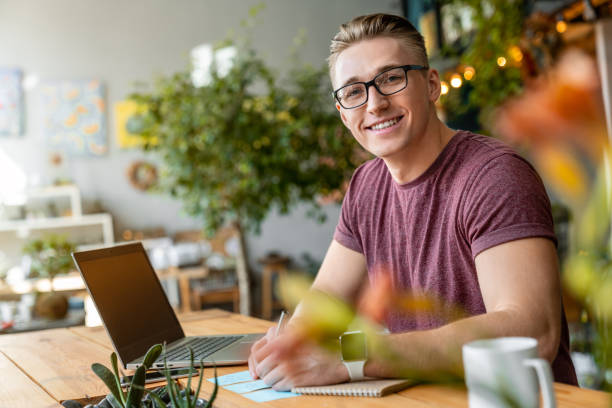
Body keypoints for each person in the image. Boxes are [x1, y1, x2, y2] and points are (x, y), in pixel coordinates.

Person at [248, 13, 578, 390]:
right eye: (354, 92)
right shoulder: (366, 186)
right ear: (343, 114)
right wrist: (294, 344)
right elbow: (326, 297)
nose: (374, 104)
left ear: (432, 85)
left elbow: (533, 332)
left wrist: (354, 357)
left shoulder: (494, 176)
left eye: (391, 78)